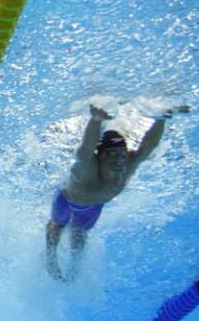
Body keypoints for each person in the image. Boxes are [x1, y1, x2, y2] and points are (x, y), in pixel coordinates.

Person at [46, 103, 188, 281]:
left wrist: (160, 119)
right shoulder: (87, 169)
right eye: (113, 154)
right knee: (56, 227)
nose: (120, 159)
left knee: (79, 234)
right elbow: (86, 149)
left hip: (94, 207)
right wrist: (96, 121)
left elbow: (147, 146)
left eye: (122, 153)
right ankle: (50, 260)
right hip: (67, 201)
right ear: (101, 156)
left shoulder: (128, 164)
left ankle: (74, 269)